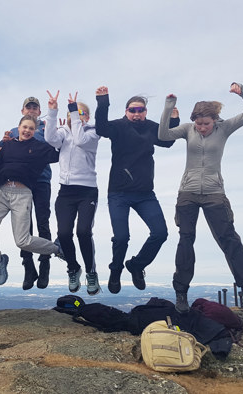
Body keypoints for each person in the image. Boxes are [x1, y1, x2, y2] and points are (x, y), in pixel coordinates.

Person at [158, 83, 243, 313]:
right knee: (186, 240)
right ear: (193, 120)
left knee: (228, 238)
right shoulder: (187, 130)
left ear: (215, 119)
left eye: (206, 123)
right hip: (188, 193)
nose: (202, 128)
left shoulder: (224, 129)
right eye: (199, 123)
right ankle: (181, 293)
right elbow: (163, 134)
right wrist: (169, 106)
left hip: (215, 193)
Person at [94, 86, 178, 294]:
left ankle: (137, 265)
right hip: (118, 193)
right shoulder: (119, 127)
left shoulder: (151, 127)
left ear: (145, 111)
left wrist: (174, 121)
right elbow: (101, 128)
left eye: (140, 110)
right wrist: (103, 102)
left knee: (160, 233)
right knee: (121, 237)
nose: (136, 113)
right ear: (126, 111)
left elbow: (167, 142)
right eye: (132, 110)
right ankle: (116, 270)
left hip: (145, 194)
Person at [0, 115, 63, 297]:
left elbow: (58, 154)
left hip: (22, 194)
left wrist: (64, 133)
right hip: (1, 192)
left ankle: (57, 248)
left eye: (31, 128)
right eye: (24, 127)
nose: (27, 131)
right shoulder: (7, 144)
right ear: (18, 128)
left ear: (35, 131)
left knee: (22, 241)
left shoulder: (39, 147)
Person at [44, 90, 102, 295]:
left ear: (87, 117)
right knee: (63, 234)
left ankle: (91, 272)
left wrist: (74, 114)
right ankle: (73, 268)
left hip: (87, 191)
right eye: (73, 114)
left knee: (84, 232)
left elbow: (80, 140)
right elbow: (50, 139)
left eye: (81, 113)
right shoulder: (63, 131)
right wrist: (52, 112)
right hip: (66, 192)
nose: (77, 116)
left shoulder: (94, 131)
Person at [7, 97, 53, 290]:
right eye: (29, 107)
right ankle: (28, 266)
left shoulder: (47, 128)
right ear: (22, 110)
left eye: (35, 108)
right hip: (21, 182)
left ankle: (45, 264)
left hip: (42, 180)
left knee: (43, 221)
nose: (32, 110)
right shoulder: (14, 131)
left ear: (39, 111)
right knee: (24, 224)